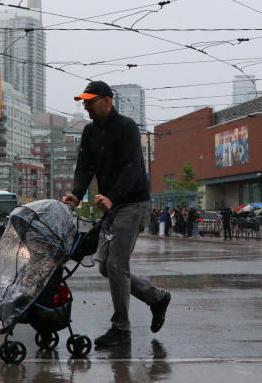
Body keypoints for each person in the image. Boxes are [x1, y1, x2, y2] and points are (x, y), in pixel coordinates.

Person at [62, 80, 171, 348]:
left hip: (132, 203)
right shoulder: (89, 132)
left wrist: (113, 197)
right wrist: (76, 193)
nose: (85, 106)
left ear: (107, 102)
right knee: (104, 266)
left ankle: (121, 329)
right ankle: (156, 298)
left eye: (90, 101)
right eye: (84, 102)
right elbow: (84, 168)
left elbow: (133, 168)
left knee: (116, 264)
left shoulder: (127, 127)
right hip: (109, 204)